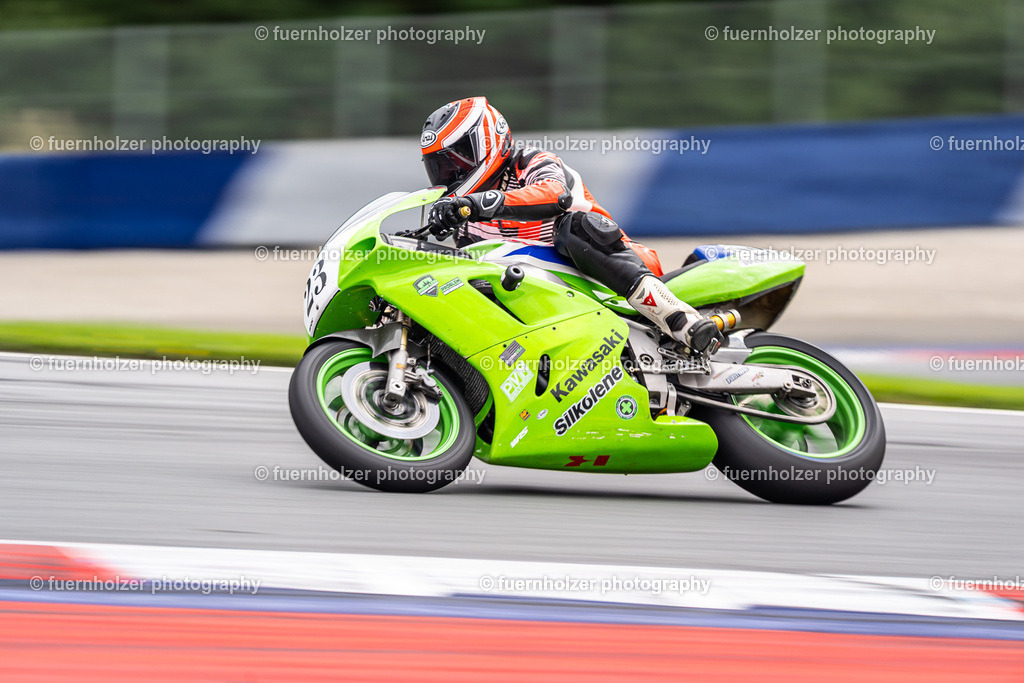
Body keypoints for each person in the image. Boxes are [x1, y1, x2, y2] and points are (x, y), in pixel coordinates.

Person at [421, 96, 722, 356]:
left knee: (574, 227)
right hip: (547, 295)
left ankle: (680, 319)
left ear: (486, 141)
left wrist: (479, 203)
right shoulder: (463, 219)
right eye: (441, 166)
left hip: (611, 268)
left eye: (457, 160)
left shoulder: (529, 161)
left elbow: (554, 193)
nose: (451, 173)